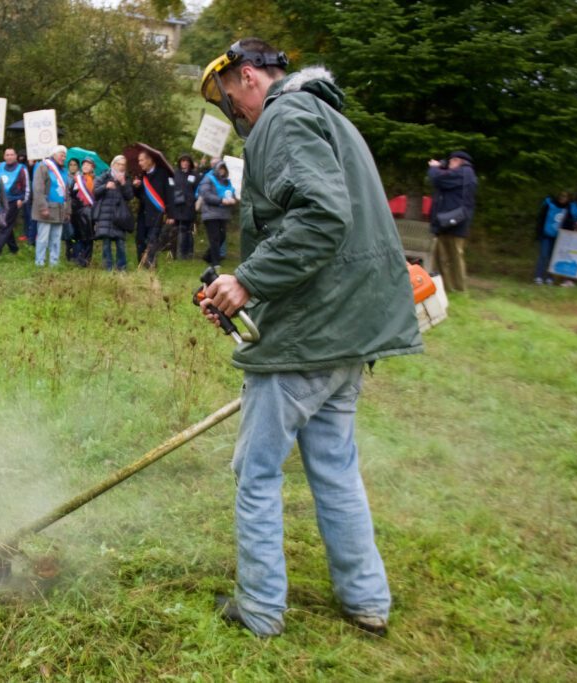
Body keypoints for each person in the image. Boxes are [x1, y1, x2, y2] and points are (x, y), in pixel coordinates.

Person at [198, 38, 422, 638]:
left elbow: (323, 217)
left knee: (256, 472)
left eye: (229, 102)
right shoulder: (330, 116)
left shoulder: (284, 118)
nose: (234, 116)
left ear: (248, 78)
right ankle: (366, 600)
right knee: (334, 467)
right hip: (349, 333)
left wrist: (247, 281)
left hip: (312, 334)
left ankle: (263, 609)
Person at [428, 151, 478, 293]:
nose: (449, 165)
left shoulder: (463, 172)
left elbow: (437, 179)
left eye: (451, 162)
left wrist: (434, 167)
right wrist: (442, 166)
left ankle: (458, 288)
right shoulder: (463, 174)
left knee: (453, 257)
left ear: (457, 161)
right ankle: (445, 288)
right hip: (448, 221)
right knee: (443, 257)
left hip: (454, 222)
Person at [91, 155, 135, 271]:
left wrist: (124, 183)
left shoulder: (126, 178)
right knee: (106, 243)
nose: (121, 167)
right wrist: (105, 186)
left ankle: (121, 268)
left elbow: (130, 196)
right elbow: (95, 192)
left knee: (120, 242)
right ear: (113, 164)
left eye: (123, 165)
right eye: (119, 164)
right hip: (105, 215)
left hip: (119, 216)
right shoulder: (104, 176)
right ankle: (108, 268)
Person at [132, 149, 173, 269]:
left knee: (152, 240)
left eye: (142, 160)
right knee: (140, 240)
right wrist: (135, 187)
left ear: (150, 160)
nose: (140, 163)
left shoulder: (163, 174)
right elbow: (139, 195)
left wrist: (170, 214)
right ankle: (141, 263)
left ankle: (150, 265)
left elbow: (169, 194)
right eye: (139, 160)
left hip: (157, 214)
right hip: (143, 214)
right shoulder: (141, 175)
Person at [32, 145, 71, 267]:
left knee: (56, 238)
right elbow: (38, 188)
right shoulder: (43, 167)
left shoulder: (64, 171)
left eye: (65, 155)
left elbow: (67, 192)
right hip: (47, 208)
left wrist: (68, 210)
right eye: (61, 154)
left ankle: (54, 262)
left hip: (60, 209)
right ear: (54, 154)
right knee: (43, 238)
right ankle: (40, 262)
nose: (63, 157)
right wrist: (43, 207)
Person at [197, 160, 237, 266]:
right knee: (214, 238)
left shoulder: (227, 182)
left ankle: (207, 256)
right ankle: (215, 262)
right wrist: (221, 200)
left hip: (223, 214)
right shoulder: (208, 178)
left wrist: (233, 200)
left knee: (222, 237)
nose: (221, 171)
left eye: (223, 169)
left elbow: (231, 193)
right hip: (210, 214)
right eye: (220, 168)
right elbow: (206, 195)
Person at [0, 148, 30, 256]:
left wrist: (23, 199)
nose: (9, 157)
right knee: (5, 224)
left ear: (16, 156)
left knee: (4, 224)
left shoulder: (22, 169)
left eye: (12, 154)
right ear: (4, 156)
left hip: (14, 201)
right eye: (7, 155)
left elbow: (26, 186)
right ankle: (14, 248)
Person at [533, 191, 570, 285]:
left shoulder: (568, 208)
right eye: (561, 196)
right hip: (546, 234)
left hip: (559, 237)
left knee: (553, 257)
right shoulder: (549, 204)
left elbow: (569, 223)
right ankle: (539, 276)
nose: (563, 198)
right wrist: (538, 233)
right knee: (543, 255)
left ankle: (550, 277)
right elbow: (541, 219)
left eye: (565, 197)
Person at [169, 154, 201, 259]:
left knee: (188, 230)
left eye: (187, 161)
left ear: (190, 163)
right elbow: (170, 187)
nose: (185, 163)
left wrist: (193, 200)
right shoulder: (174, 173)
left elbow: (199, 190)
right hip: (176, 206)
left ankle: (188, 253)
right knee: (175, 230)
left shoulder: (195, 175)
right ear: (180, 162)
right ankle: (176, 253)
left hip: (189, 207)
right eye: (183, 161)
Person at [69, 158, 97, 267]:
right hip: (77, 212)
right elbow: (71, 194)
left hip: (90, 213)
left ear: (92, 167)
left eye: (88, 165)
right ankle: (77, 257)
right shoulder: (77, 179)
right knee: (77, 236)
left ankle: (86, 259)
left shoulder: (96, 180)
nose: (85, 166)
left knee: (89, 237)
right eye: (84, 164)